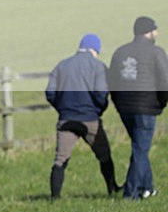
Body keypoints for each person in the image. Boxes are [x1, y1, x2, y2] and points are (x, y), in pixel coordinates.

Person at [45, 33, 121, 199]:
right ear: (96, 49)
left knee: (60, 160)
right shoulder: (98, 66)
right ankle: (112, 189)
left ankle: (54, 197)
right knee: (104, 155)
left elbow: (50, 92)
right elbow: (101, 93)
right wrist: (99, 110)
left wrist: (62, 109)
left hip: (66, 120)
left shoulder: (62, 65)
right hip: (90, 119)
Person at [108, 16, 168, 200]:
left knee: (139, 148)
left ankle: (147, 187)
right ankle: (131, 194)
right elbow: (165, 81)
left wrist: (119, 105)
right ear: (147, 32)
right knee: (141, 150)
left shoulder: (120, 52)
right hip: (146, 108)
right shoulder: (157, 52)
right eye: (154, 30)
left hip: (125, 108)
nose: (157, 33)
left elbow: (112, 82)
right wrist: (161, 103)